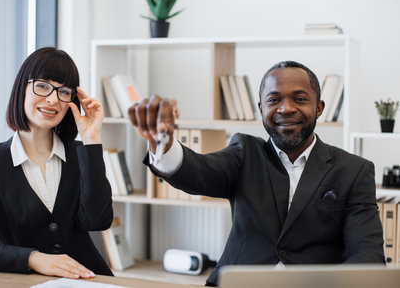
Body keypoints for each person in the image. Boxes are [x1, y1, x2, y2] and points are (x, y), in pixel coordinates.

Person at [128, 61, 385, 286]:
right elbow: (199, 172)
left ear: (319, 108)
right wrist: (162, 142)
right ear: (260, 108)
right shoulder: (244, 153)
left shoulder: (354, 170)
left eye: (299, 99)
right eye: (274, 100)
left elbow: (367, 253)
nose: (286, 108)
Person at [0, 47, 114, 279]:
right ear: (22, 88)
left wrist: (91, 140)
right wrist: (32, 257)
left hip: (89, 280)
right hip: (24, 283)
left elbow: (98, 221)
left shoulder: (81, 154)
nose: (52, 99)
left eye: (64, 91)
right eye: (42, 86)